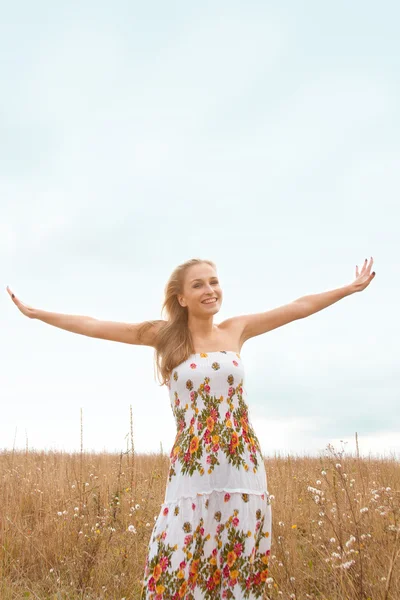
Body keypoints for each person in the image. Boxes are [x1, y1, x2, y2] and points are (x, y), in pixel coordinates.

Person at [6, 256, 375, 599]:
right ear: (181, 298)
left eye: (214, 282)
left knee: (238, 549)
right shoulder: (166, 336)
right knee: (180, 548)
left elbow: (297, 308)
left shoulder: (237, 330)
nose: (210, 290)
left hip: (241, 459)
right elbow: (96, 326)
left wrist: (347, 288)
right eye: (198, 285)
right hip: (192, 462)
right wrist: (38, 315)